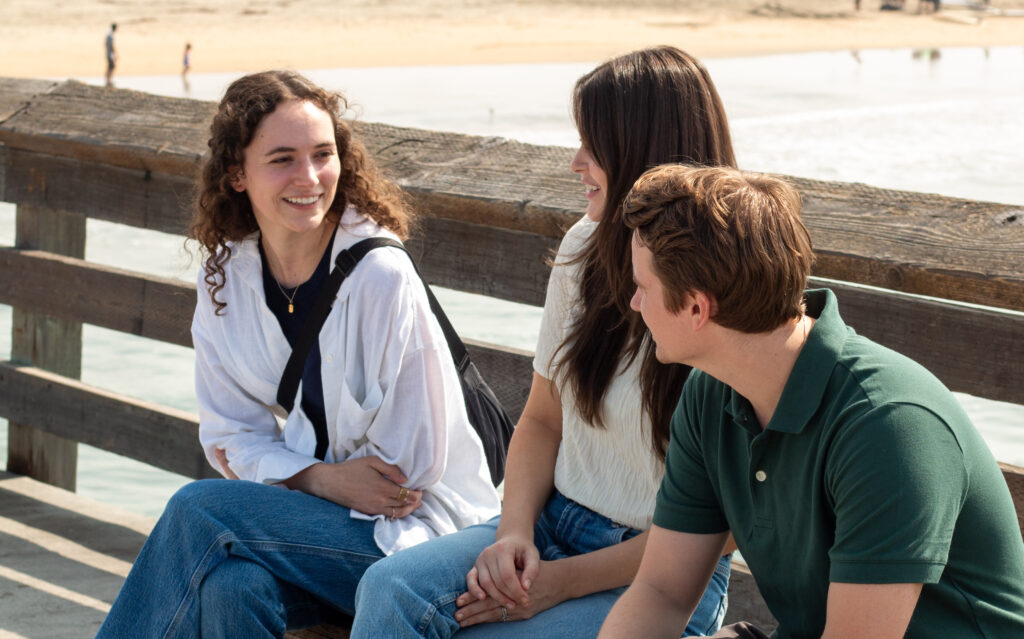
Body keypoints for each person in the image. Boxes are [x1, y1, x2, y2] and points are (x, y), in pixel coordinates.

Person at [96, 71, 501, 638]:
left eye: (322, 154)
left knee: (198, 511)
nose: (308, 177)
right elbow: (228, 435)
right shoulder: (225, 277)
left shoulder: (381, 276)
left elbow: (404, 481)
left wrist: (303, 482)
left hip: (416, 540)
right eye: (282, 158)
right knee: (233, 588)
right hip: (321, 519)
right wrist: (318, 479)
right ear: (237, 173)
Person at [350, 46, 737, 638]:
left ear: (642, 149)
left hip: (664, 576)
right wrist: (513, 534)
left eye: (593, 144)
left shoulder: (731, 285)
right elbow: (541, 421)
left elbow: (720, 526)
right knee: (389, 589)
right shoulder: (586, 246)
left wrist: (561, 582)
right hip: (552, 524)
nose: (577, 162)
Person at [598, 165, 1024, 638]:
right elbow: (662, 592)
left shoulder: (888, 426)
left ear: (697, 308)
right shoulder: (710, 394)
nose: (635, 303)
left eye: (644, 287)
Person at [104, 22, 117, 86]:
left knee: (110, 67)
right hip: (110, 54)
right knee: (111, 67)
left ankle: (108, 80)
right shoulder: (111, 35)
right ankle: (108, 80)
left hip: (108, 53)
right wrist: (114, 53)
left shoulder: (108, 35)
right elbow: (111, 45)